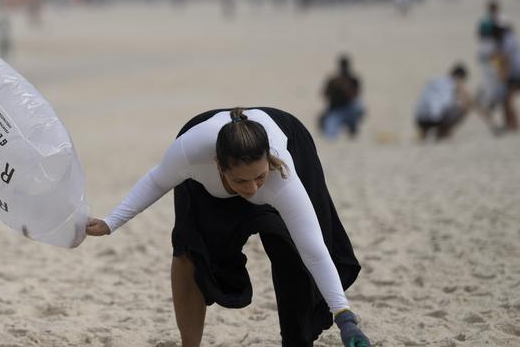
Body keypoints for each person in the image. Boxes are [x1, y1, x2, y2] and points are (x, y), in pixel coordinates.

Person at [86, 107, 369, 347]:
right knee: (189, 248)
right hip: (207, 164)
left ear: (269, 162)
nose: (252, 188)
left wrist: (346, 319)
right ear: (219, 166)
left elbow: (314, 251)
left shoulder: (280, 175)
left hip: (283, 134)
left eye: (258, 177)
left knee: (292, 251)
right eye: (241, 182)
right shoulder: (191, 153)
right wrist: (111, 222)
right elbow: (156, 181)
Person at [415, 65, 474, 140]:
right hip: (436, 119)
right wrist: (464, 93)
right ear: (459, 78)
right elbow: (444, 104)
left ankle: (423, 133)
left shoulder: (435, 79)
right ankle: (443, 133)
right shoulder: (451, 84)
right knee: (463, 107)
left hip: (420, 119)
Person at [319, 55, 364, 139]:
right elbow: (324, 94)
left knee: (359, 107)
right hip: (335, 110)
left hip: (349, 109)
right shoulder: (333, 80)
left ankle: (352, 126)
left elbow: (356, 96)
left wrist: (345, 87)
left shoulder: (353, 79)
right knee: (330, 135)